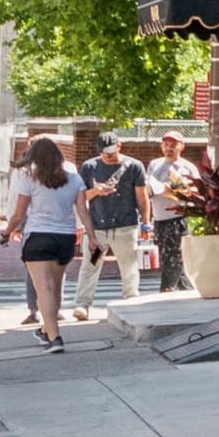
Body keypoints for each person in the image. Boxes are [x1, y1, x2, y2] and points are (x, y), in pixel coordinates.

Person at [0, 134, 88, 352]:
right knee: (54, 287)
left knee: (43, 290)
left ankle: (55, 337)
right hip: (65, 237)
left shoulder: (29, 178)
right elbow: (83, 211)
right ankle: (47, 329)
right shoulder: (74, 178)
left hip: (38, 235)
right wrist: (92, 236)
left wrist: (6, 233)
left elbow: (19, 214)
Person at [71, 134, 146, 320]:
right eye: (104, 153)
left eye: (111, 152)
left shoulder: (134, 166)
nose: (108, 157)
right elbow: (80, 198)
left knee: (128, 265)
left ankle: (131, 300)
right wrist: (96, 191)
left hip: (125, 227)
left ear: (119, 146)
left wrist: (146, 222)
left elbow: (141, 197)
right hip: (97, 230)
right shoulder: (89, 167)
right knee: (91, 264)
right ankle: (83, 304)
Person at [144, 131, 190, 292]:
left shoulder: (186, 167)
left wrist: (174, 192)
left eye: (173, 145)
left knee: (172, 257)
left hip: (177, 217)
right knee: (168, 256)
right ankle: (185, 288)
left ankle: (167, 289)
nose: (169, 148)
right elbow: (148, 188)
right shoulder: (154, 164)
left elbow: (196, 192)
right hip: (159, 217)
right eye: (166, 145)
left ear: (181, 146)